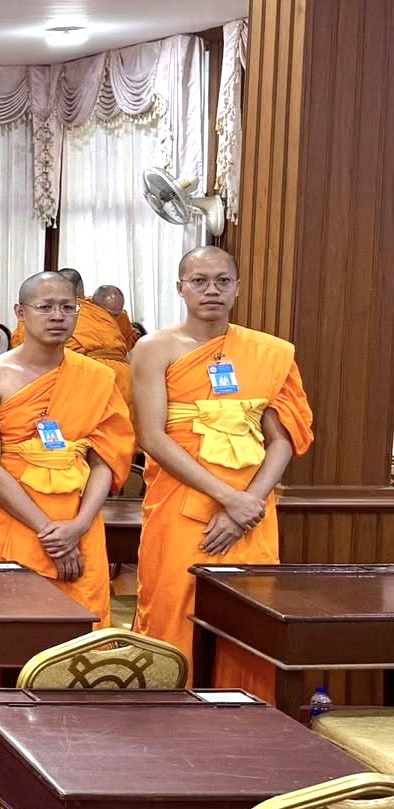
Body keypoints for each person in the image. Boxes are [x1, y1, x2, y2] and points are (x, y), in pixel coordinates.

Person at [132, 247, 312, 698]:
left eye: (222, 281)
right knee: (174, 605)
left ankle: (244, 719)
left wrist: (246, 504)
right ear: (180, 288)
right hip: (182, 507)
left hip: (252, 510)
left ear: (236, 286)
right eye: (199, 281)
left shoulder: (268, 352)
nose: (211, 290)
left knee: (249, 614)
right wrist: (228, 499)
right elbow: (152, 437)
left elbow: (283, 438)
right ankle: (165, 718)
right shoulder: (154, 349)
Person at [0, 272, 133, 631]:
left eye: (67, 308)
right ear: (20, 312)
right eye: (46, 307)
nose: (58, 316)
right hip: (15, 518)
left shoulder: (97, 377)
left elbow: (106, 457)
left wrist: (79, 525)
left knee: (80, 636)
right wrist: (48, 532)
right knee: (12, 630)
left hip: (78, 519)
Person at [64, 269, 134, 414]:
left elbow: (129, 344)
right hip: (82, 370)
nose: (112, 318)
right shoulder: (68, 311)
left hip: (120, 374)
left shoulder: (120, 316)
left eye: (116, 314)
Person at [94, 284, 143, 349]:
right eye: (110, 314)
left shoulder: (123, 318)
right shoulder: (84, 315)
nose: (113, 319)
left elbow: (129, 341)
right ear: (95, 307)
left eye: (117, 315)